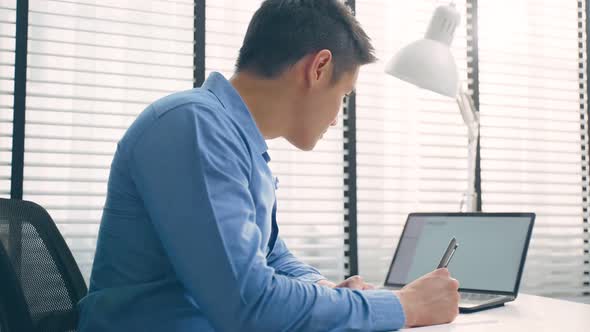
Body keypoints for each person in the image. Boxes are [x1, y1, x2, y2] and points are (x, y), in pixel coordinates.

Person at [77, 0, 460, 331]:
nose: (335, 119)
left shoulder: (237, 142)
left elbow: (272, 256)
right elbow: (249, 304)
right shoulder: (194, 126)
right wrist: (404, 306)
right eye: (343, 96)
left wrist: (323, 289)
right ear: (319, 67)